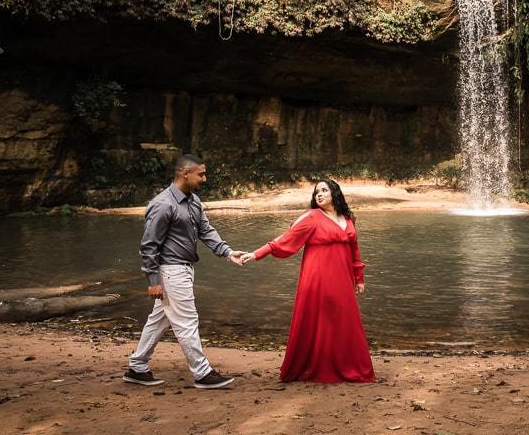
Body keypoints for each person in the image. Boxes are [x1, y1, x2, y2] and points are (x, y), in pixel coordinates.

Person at [124, 153, 246, 389]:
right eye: (201, 174)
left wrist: (228, 252)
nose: (204, 178)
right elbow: (149, 246)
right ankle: (202, 373)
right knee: (187, 322)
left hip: (184, 269)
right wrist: (153, 280)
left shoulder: (193, 201)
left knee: (159, 320)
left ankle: (137, 367)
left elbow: (206, 230)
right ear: (184, 173)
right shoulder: (162, 204)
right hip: (170, 271)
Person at [240, 179, 376, 383]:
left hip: (342, 277)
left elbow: (354, 249)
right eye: (316, 192)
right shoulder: (312, 217)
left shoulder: (348, 218)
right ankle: (318, 367)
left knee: (344, 321)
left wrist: (359, 278)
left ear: (335, 194)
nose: (318, 195)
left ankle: (348, 366)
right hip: (318, 277)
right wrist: (257, 254)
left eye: (324, 190)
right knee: (318, 320)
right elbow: (286, 239)